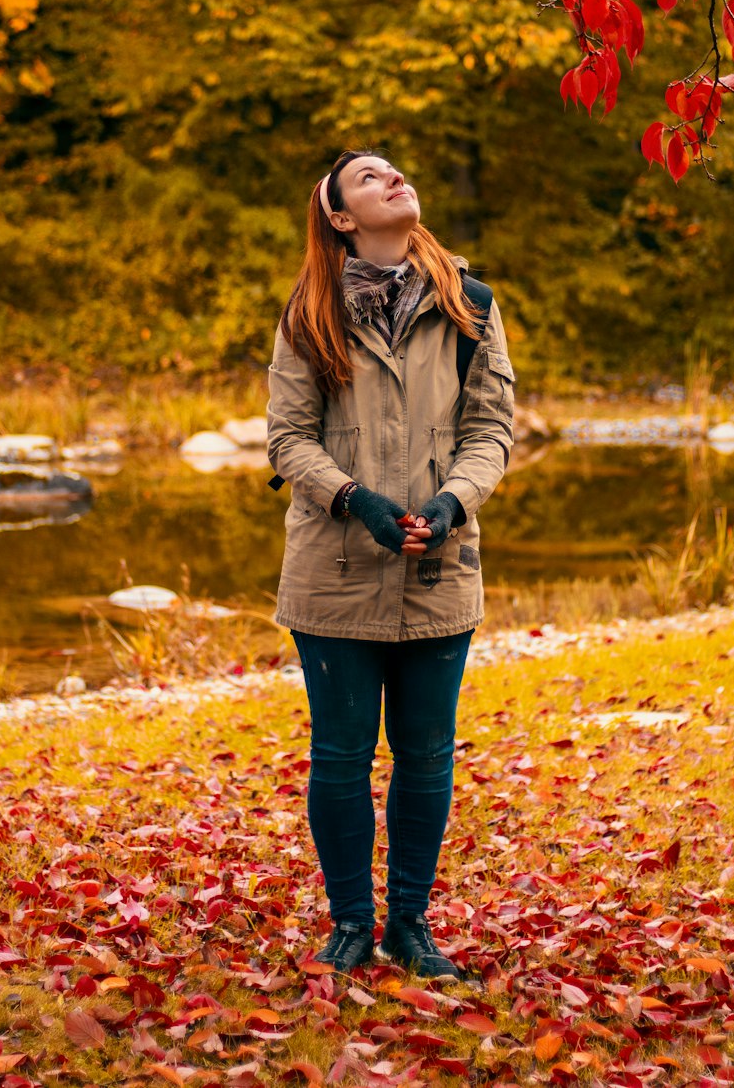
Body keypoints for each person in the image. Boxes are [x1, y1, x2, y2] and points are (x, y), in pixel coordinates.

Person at [266, 149, 515, 979]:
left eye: (394, 170)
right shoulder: (309, 315)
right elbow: (287, 439)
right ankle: (350, 926)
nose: (393, 179)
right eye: (368, 178)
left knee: (426, 754)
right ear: (341, 217)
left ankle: (411, 926)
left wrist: (452, 504)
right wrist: (355, 501)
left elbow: (492, 430)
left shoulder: (469, 305)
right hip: (333, 572)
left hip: (439, 570)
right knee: (340, 756)